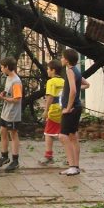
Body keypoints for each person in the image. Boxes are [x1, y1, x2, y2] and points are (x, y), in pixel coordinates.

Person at [0, 57, 23, 172]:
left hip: (12, 113)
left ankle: (15, 160)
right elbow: (8, 91)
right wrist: (3, 93)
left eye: (2, 67)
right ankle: (4, 156)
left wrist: (4, 98)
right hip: (6, 111)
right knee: (2, 131)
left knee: (13, 134)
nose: (1, 69)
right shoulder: (8, 78)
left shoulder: (16, 81)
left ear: (7, 67)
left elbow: (17, 99)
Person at [58, 48, 84, 176]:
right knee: (73, 136)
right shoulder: (76, 70)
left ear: (67, 60)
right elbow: (86, 84)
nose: (61, 59)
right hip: (77, 107)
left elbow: (73, 90)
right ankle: (76, 166)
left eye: (62, 57)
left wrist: (68, 107)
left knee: (63, 136)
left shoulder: (69, 70)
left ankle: (72, 166)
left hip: (72, 108)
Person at [39, 59, 64, 165]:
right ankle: (69, 156)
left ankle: (48, 156)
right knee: (63, 134)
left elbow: (49, 97)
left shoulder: (50, 82)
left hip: (53, 111)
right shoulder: (64, 81)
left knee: (48, 133)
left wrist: (46, 111)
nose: (47, 71)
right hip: (63, 110)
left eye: (48, 69)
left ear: (53, 70)